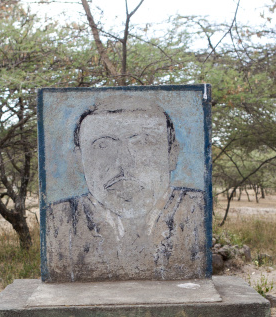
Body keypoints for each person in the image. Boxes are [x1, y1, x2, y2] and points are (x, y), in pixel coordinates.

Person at [46, 96, 206, 281]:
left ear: (172, 154)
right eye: (102, 145)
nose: (124, 163)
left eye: (143, 142)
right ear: (79, 159)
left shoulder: (198, 209)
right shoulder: (57, 220)